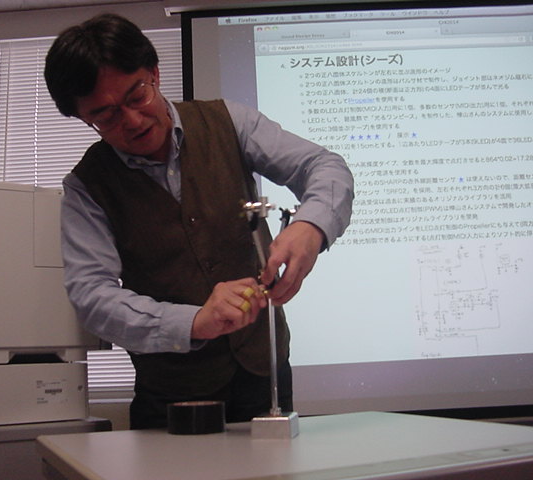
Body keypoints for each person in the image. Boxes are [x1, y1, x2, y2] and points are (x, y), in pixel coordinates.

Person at [44, 13, 354, 429]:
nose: (132, 121)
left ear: (155, 73)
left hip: (265, 376)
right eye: (106, 116)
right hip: (169, 395)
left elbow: (324, 166)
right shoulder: (86, 187)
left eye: (137, 96)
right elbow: (92, 296)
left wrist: (310, 227)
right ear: (85, 119)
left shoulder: (228, 122)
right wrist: (192, 322)